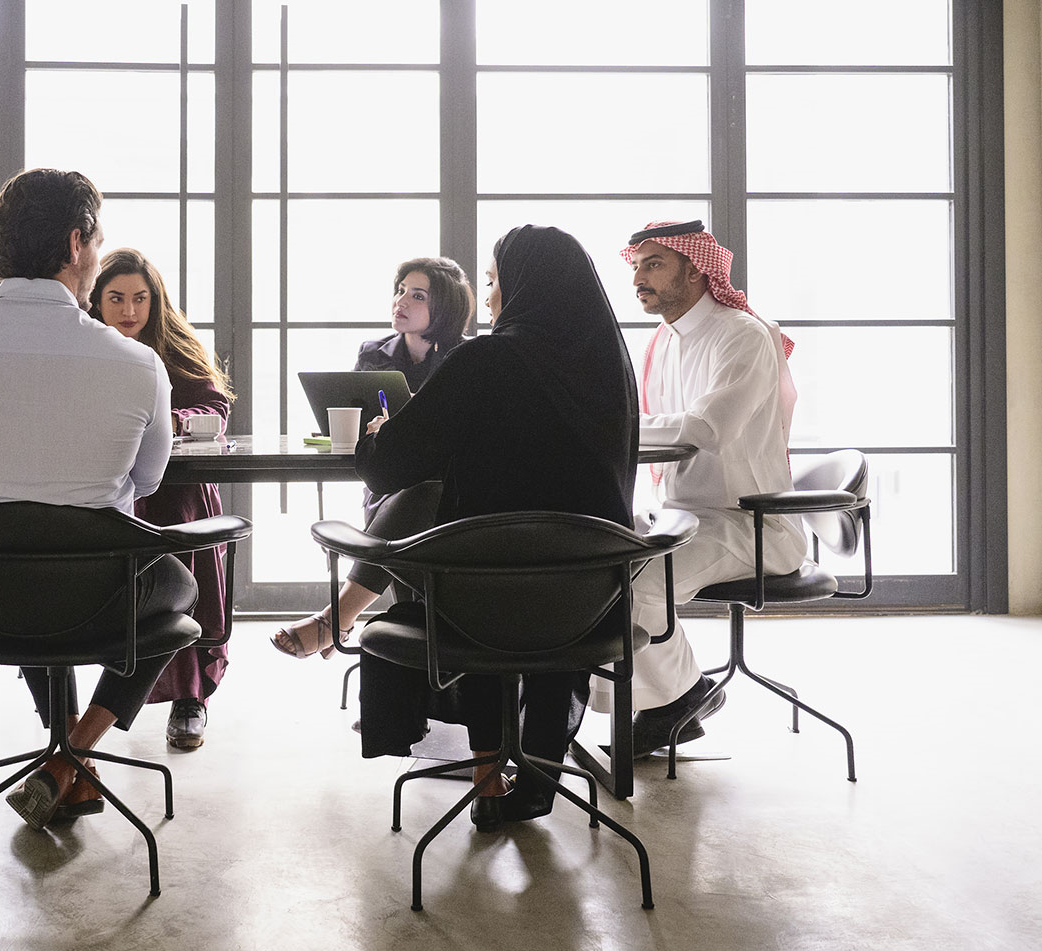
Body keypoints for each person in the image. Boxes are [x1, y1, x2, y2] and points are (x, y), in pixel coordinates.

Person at [0, 168, 197, 831]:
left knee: (17, 552)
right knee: (175, 580)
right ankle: (74, 754)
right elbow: (147, 482)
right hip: (98, 599)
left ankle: (67, 756)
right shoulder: (136, 364)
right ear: (75, 241)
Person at [352, 226, 637, 826]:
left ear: (525, 286)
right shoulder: (612, 367)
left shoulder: (485, 360)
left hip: (480, 604)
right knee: (534, 572)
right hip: (590, 601)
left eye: (493, 281)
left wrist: (376, 434)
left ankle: (487, 778)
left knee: (474, 560)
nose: (489, 297)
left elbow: (395, 465)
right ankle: (536, 777)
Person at [592, 219, 804, 757]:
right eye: (636, 266)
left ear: (696, 268)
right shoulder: (663, 340)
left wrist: (617, 427)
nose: (639, 277)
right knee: (593, 557)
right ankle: (677, 696)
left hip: (750, 523)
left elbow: (709, 428)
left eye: (655, 265)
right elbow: (661, 424)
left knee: (639, 584)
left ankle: (674, 700)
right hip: (683, 516)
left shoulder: (744, 334)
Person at [271, 256, 474, 658]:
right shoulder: (373, 354)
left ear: (444, 308)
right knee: (399, 510)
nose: (401, 301)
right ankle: (397, 688)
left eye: (417, 295)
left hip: (447, 491)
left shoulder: (466, 359)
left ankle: (338, 622)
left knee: (414, 507)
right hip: (386, 482)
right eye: (400, 290)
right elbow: (356, 431)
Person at [88, 248, 233, 752]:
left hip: (176, 489)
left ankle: (190, 697)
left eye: (140, 299)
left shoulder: (174, 347)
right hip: (107, 485)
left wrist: (166, 422)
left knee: (182, 551)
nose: (129, 310)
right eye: (116, 298)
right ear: (96, 300)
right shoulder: (84, 345)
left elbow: (214, 406)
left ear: (155, 301)